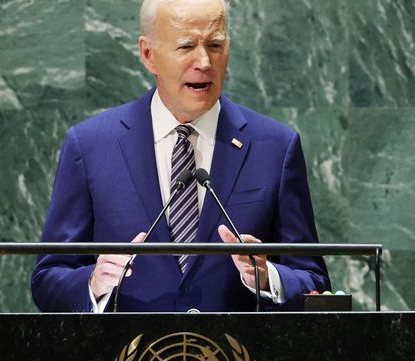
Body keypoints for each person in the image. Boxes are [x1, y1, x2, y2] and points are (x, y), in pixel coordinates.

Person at [31, 0, 329, 312]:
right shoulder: (91, 146)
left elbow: (314, 281)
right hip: (128, 357)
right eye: (186, 46)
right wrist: (94, 283)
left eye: (215, 45)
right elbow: (49, 278)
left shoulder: (276, 147)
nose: (204, 61)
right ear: (148, 55)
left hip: (237, 358)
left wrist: (270, 278)